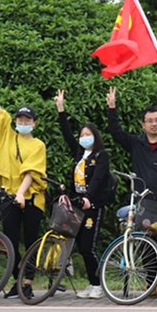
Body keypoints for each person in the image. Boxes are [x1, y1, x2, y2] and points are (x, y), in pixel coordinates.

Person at [0, 71, 47, 299]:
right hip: (8, 196)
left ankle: (28, 281)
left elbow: (32, 172)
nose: (23, 123)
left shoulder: (38, 145)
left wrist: (22, 194)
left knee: (32, 241)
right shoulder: (8, 136)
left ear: (34, 123)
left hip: (31, 196)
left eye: (27, 120)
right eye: (20, 120)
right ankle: (17, 281)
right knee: (10, 241)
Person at [106, 87, 157, 256]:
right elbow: (116, 133)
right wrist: (112, 108)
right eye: (149, 121)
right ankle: (150, 282)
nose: (154, 124)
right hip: (143, 203)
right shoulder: (136, 143)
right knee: (145, 248)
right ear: (143, 125)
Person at [54, 89, 112, 300]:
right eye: (82, 135)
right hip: (77, 205)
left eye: (88, 135)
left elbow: (97, 179)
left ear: (95, 137)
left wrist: (89, 197)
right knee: (79, 245)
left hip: (92, 206)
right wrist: (61, 109)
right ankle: (91, 283)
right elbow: (66, 133)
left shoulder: (101, 155)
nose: (84, 138)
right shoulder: (79, 154)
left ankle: (97, 284)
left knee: (88, 246)